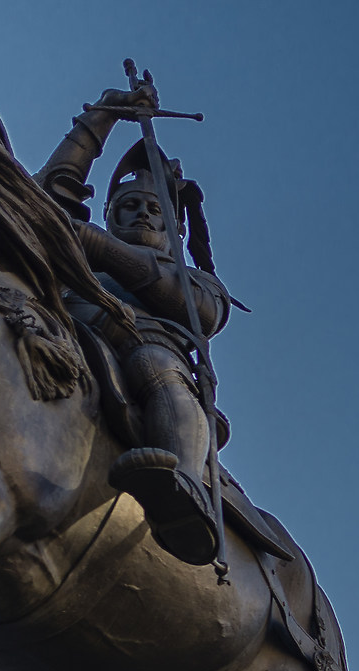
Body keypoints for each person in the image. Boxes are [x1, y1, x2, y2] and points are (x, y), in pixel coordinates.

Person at [37, 72, 234, 563]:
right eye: (127, 207)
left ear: (172, 230)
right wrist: (100, 118)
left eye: (152, 209)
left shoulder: (197, 283)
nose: (141, 215)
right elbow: (41, 200)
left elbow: (204, 314)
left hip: (140, 344)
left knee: (156, 368)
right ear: (108, 213)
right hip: (59, 325)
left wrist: (103, 249)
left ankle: (185, 488)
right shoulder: (75, 252)